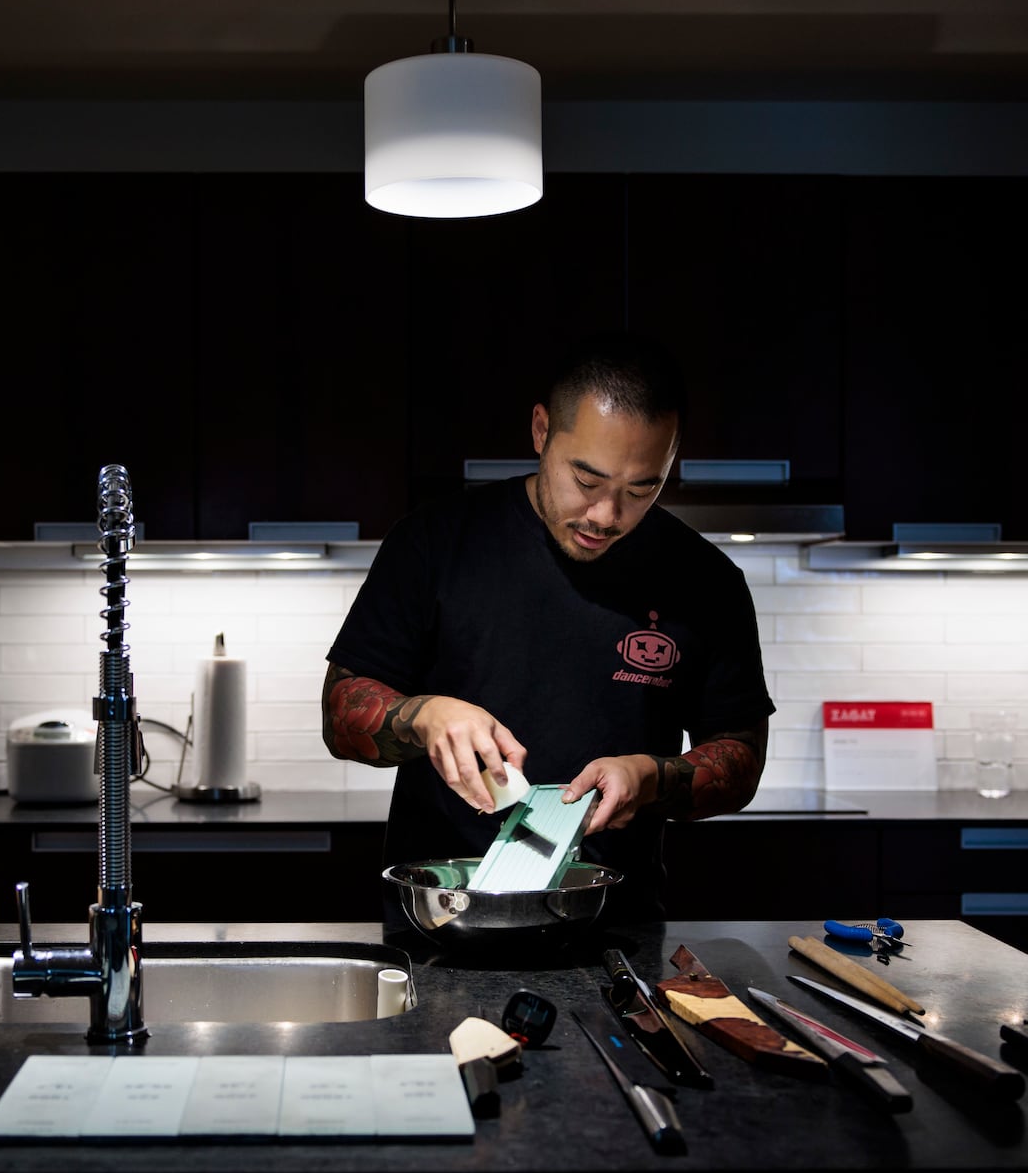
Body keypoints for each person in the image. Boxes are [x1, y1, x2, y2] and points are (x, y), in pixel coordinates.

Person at [321, 331, 775, 921]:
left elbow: (740, 757)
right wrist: (426, 715)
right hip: (439, 919)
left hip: (614, 931)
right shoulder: (434, 543)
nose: (606, 516)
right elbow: (339, 715)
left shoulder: (707, 581)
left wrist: (653, 776)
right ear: (541, 431)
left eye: (643, 489)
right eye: (586, 481)